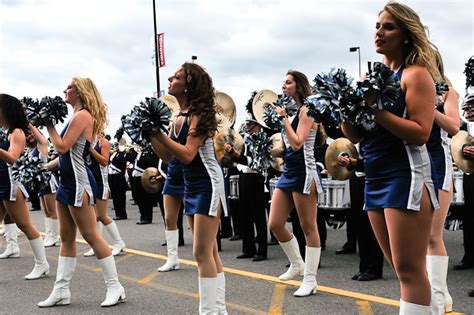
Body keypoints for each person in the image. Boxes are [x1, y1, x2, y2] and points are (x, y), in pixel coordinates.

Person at [342, 2, 442, 313]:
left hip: (406, 175)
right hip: (375, 175)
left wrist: (375, 110)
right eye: (377, 26)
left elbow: (421, 132)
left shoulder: (416, 76)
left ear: (406, 35)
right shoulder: (373, 78)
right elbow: (358, 135)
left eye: (389, 27)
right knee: (401, 270)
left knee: (410, 271)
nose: (380, 32)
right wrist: (345, 109)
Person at [38, 77, 125, 307]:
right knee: (66, 237)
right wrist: (43, 168)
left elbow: (63, 146)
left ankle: (115, 286)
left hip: (79, 183)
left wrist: (48, 125)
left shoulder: (84, 115)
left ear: (80, 91)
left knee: (91, 235)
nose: (64, 90)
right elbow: (64, 156)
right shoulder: (74, 116)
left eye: (69, 87)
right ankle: (61, 290)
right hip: (66, 182)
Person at [151, 63, 228, 314]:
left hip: (207, 183)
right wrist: (151, 134)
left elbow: (187, 155)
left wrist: (160, 135)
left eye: (177, 77)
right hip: (190, 183)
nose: (171, 79)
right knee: (210, 252)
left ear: (189, 84)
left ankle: (208, 311)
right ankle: (219, 309)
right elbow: (168, 156)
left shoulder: (200, 113)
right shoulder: (178, 117)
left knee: (201, 252)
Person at [268, 70, 323, 297]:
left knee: (308, 226)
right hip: (289, 171)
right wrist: (272, 150)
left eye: (288, 82)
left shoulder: (308, 109)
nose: (284, 85)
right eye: (283, 82)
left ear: (299, 86)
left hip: (304, 172)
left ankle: (311, 279)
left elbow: (299, 143)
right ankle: (297, 263)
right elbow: (289, 146)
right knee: (275, 223)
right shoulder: (292, 112)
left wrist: (282, 119)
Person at [0, 94, 49, 279]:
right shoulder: (6, 132)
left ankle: (42, 264)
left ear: (5, 111)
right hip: (2, 183)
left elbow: (13, 157)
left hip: (12, 184)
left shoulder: (17, 132)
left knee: (25, 225)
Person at [425, 51, 459, 313]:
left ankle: (437, 300)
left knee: (432, 235)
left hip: (438, 162)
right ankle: (441, 295)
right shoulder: (407, 82)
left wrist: (429, 109)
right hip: (412, 164)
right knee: (418, 236)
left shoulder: (446, 90)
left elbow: (454, 126)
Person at [152, 94, 188, 273]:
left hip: (188, 173)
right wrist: (152, 135)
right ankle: (172, 258)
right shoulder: (166, 126)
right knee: (169, 218)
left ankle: (205, 257)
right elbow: (165, 156)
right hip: (173, 173)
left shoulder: (182, 120)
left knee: (193, 221)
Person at [224, 117, 268, 262]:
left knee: (259, 217)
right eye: (247, 122)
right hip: (244, 176)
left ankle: (262, 250)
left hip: (256, 178)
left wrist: (234, 154)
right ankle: (248, 249)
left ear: (257, 125)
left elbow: (253, 162)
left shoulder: (262, 138)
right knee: (245, 214)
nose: (247, 125)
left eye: (250, 123)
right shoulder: (245, 138)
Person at [337, 148, 384, 282]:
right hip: (357, 176)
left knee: (372, 226)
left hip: (372, 176)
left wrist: (354, 162)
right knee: (359, 223)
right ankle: (364, 267)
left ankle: (374, 268)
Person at [83, 133, 126, 257]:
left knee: (102, 215)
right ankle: (97, 244)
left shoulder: (102, 142)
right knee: (94, 217)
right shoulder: (85, 140)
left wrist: (91, 149)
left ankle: (119, 242)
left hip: (101, 182)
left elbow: (104, 162)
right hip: (89, 182)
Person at [27, 125, 60, 247]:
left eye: (31, 134)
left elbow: (43, 140)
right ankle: (49, 235)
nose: (30, 136)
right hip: (39, 182)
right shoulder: (31, 149)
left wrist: (29, 124)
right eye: (28, 135)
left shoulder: (42, 145)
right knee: (46, 211)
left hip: (47, 179)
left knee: (52, 210)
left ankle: (54, 237)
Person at [108, 142, 128, 220]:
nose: (115, 147)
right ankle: (118, 213)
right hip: (112, 176)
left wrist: (123, 151)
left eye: (116, 146)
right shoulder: (114, 154)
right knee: (115, 195)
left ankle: (122, 214)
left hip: (118, 176)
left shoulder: (122, 154)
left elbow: (122, 161)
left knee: (120, 195)